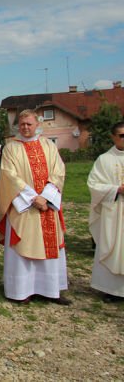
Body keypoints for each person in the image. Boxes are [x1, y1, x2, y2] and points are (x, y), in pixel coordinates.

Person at [0, 109, 69, 305]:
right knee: (22, 248)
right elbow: (9, 176)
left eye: (29, 124)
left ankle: (51, 290)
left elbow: (58, 171)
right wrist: (33, 198)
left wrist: (45, 197)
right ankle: (21, 291)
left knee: (50, 245)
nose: (25, 127)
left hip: (47, 206)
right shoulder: (11, 148)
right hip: (24, 207)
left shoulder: (48, 145)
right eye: (22, 124)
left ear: (38, 125)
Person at [87, 121, 124, 302]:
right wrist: (116, 189)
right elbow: (93, 185)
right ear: (114, 137)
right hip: (114, 210)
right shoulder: (104, 160)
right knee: (112, 247)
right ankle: (111, 289)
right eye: (122, 135)